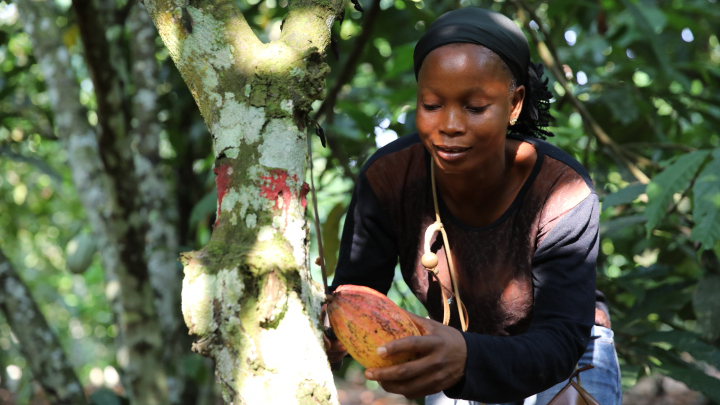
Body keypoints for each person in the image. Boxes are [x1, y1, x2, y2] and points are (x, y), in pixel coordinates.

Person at [324, 7, 622, 405]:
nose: (449, 124)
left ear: (514, 105)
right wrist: (331, 335)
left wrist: (466, 358)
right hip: (457, 346)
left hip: (562, 356)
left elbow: (558, 342)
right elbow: (356, 293)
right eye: (431, 105)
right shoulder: (388, 179)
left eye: (475, 107)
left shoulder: (562, 192)